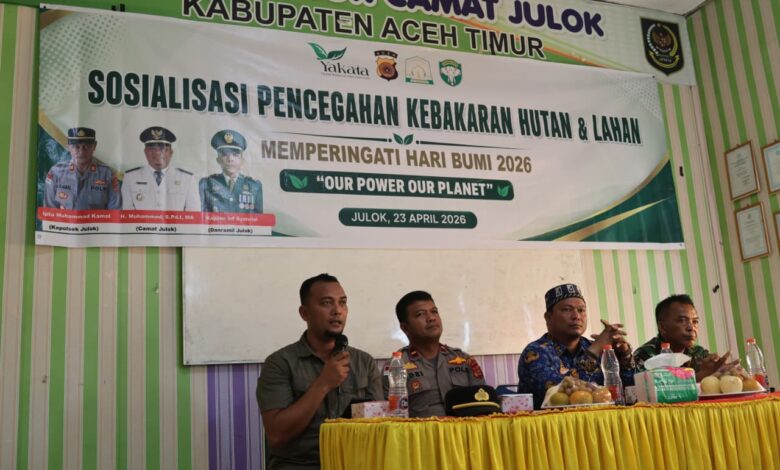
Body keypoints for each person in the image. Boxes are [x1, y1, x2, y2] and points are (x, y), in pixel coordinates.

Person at [256, 274, 382, 469]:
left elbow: (380, 425)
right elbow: (277, 434)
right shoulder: (279, 363)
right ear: (304, 313)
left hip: (354, 462)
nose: (337, 311)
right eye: (326, 303)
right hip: (301, 465)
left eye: (343, 303)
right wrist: (323, 384)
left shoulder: (364, 362)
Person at [517, 283, 635, 409]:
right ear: (548, 318)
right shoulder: (536, 352)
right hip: (553, 421)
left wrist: (624, 357)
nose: (576, 316)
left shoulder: (596, 348)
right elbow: (561, 396)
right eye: (567, 309)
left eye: (581, 310)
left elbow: (630, 394)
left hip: (600, 419)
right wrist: (594, 350)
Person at [386, 291, 486, 418]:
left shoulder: (464, 360)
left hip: (463, 429)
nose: (431, 318)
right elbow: (390, 417)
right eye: (420, 314)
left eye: (434, 311)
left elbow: (483, 404)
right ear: (405, 328)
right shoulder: (396, 366)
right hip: (421, 430)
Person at [634, 294, 732, 381]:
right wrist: (699, 376)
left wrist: (724, 372)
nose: (691, 328)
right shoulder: (645, 355)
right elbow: (656, 390)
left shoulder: (698, 353)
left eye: (695, 321)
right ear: (663, 327)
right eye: (682, 320)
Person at [121, 126, 200, 211]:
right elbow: (127, 212)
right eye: (152, 148)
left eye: (163, 148)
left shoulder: (187, 179)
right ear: (145, 152)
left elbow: (193, 214)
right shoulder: (130, 177)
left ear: (171, 152)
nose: (157, 152)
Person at [44, 127, 121, 209]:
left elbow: (115, 210)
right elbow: (49, 211)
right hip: (65, 218)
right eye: (76, 146)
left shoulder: (107, 174)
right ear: (68, 147)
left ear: (94, 146)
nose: (81, 151)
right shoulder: (56, 173)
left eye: (86, 146)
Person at [199, 129, 263, 213]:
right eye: (225, 155)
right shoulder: (206, 184)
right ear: (218, 160)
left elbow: (259, 218)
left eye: (235, 155)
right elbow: (202, 215)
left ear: (242, 160)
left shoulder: (254, 186)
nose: (230, 159)